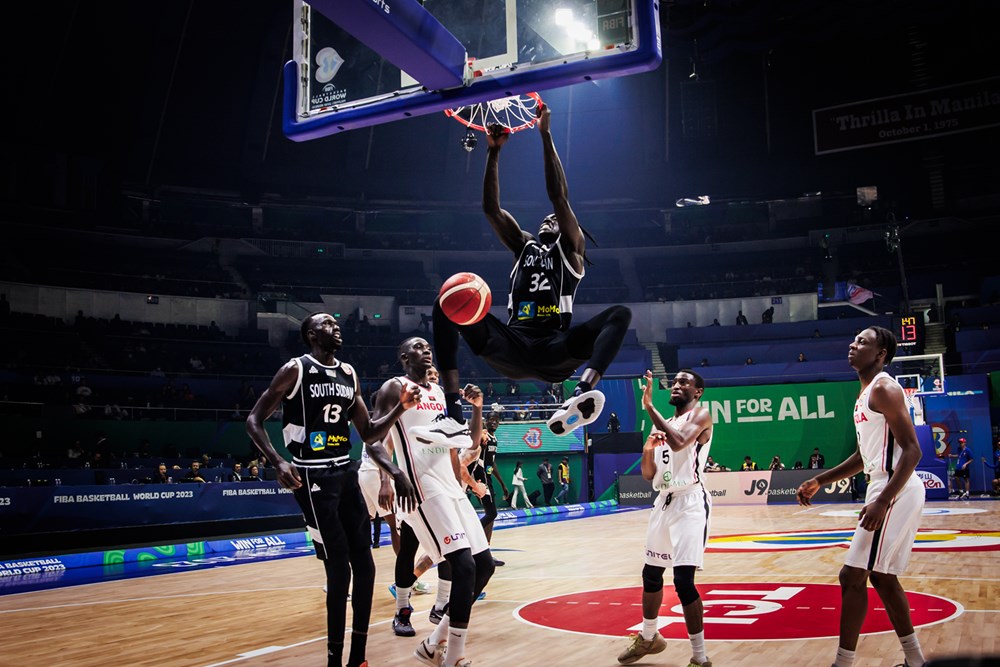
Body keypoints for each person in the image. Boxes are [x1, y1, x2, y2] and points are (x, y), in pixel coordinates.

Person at [432, 104, 631, 437]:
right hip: (511, 342)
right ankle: (452, 410)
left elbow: (558, 196)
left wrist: (545, 134)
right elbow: (491, 209)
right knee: (446, 300)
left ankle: (580, 394)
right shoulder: (523, 245)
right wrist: (493, 153)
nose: (549, 218)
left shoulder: (571, 251)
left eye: (558, 219)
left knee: (620, 314)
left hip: (555, 347)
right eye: (548, 217)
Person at [245, 312, 420, 667]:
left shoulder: (349, 373)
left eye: (336, 323)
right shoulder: (296, 369)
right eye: (327, 323)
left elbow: (370, 433)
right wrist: (277, 462)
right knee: (339, 569)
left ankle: (358, 657)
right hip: (311, 477)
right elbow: (253, 420)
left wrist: (401, 408)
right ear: (311, 335)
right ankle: (333, 660)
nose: (335, 327)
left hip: (346, 473)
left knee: (366, 567)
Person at [796, 326, 927, 667]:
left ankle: (843, 662)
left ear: (881, 354)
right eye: (853, 340)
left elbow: (912, 451)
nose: (853, 346)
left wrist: (883, 500)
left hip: (895, 487)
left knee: (852, 576)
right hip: (882, 484)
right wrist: (820, 480)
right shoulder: (866, 392)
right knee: (882, 578)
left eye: (863, 343)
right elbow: (863, 456)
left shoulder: (884, 387)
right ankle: (915, 661)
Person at [373, 336, 495, 667]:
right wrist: (392, 476)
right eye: (418, 347)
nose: (426, 350)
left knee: (483, 566)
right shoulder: (392, 388)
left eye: (429, 346)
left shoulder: (439, 393)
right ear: (403, 357)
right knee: (463, 566)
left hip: (450, 487)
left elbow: (466, 440)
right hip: (421, 487)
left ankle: (433, 643)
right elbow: (372, 439)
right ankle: (453, 655)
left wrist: (477, 409)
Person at [617, 369, 713, 666]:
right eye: (674, 381)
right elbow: (649, 475)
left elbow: (681, 442)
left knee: (684, 580)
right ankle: (648, 638)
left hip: (690, 502)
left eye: (684, 382)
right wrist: (647, 450)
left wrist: (649, 407)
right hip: (663, 501)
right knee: (651, 574)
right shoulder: (663, 425)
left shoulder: (701, 415)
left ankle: (700, 657)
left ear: (697, 392)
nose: (676, 385)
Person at [470, 410, 509, 565]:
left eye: (496, 420)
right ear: (485, 421)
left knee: (490, 516)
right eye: (491, 419)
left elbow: (492, 463)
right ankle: (470, 538)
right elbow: (472, 453)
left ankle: (486, 553)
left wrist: (503, 484)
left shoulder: (494, 438)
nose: (494, 422)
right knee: (492, 514)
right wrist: (472, 481)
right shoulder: (482, 435)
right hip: (480, 479)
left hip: (488, 478)